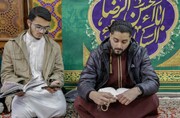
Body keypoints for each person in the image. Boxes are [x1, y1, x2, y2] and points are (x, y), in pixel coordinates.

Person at [74, 20, 160, 118]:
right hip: (106, 100)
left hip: (130, 99)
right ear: (110, 36)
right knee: (80, 101)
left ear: (130, 39)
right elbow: (85, 81)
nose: (119, 46)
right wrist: (93, 94)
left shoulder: (139, 53)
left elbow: (153, 81)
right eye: (115, 40)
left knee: (152, 99)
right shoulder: (97, 54)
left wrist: (136, 91)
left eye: (124, 42)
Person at [1, 6, 66, 118]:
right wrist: (17, 87)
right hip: (24, 93)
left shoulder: (54, 46)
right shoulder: (11, 46)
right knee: (19, 114)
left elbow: (58, 70)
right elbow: (6, 73)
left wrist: (55, 81)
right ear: (29, 23)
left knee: (60, 109)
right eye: (38, 27)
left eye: (46, 28)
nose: (42, 31)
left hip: (46, 91)